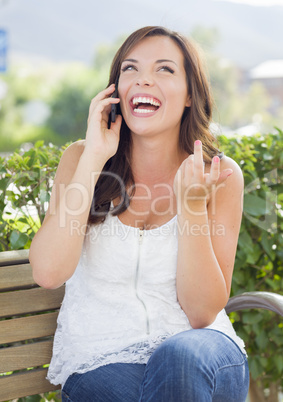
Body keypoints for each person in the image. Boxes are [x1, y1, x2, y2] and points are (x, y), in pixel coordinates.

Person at [29, 26, 249, 401]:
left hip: (201, 354)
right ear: (116, 89)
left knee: (177, 359)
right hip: (100, 360)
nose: (143, 78)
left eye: (164, 69)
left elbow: (200, 313)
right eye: (130, 69)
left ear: (189, 95)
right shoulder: (81, 160)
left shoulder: (219, 175)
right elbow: (48, 272)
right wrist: (95, 157)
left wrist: (192, 208)